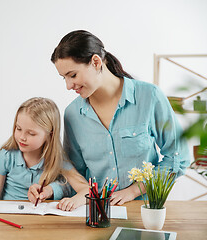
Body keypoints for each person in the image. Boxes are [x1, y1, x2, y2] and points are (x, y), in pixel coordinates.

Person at [50, 30, 189, 206]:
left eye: (73, 75)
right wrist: (51, 190)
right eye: (64, 78)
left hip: (144, 211)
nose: (68, 86)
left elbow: (178, 158)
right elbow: (75, 174)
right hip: (96, 213)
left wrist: (134, 191)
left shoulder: (149, 96)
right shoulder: (73, 114)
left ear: (95, 62)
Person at [0, 97, 89, 211]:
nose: (22, 137)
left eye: (31, 134)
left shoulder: (57, 159)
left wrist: (75, 200)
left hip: (41, 223)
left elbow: (87, 189)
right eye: (18, 128)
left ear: (50, 135)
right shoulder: (6, 156)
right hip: (9, 218)